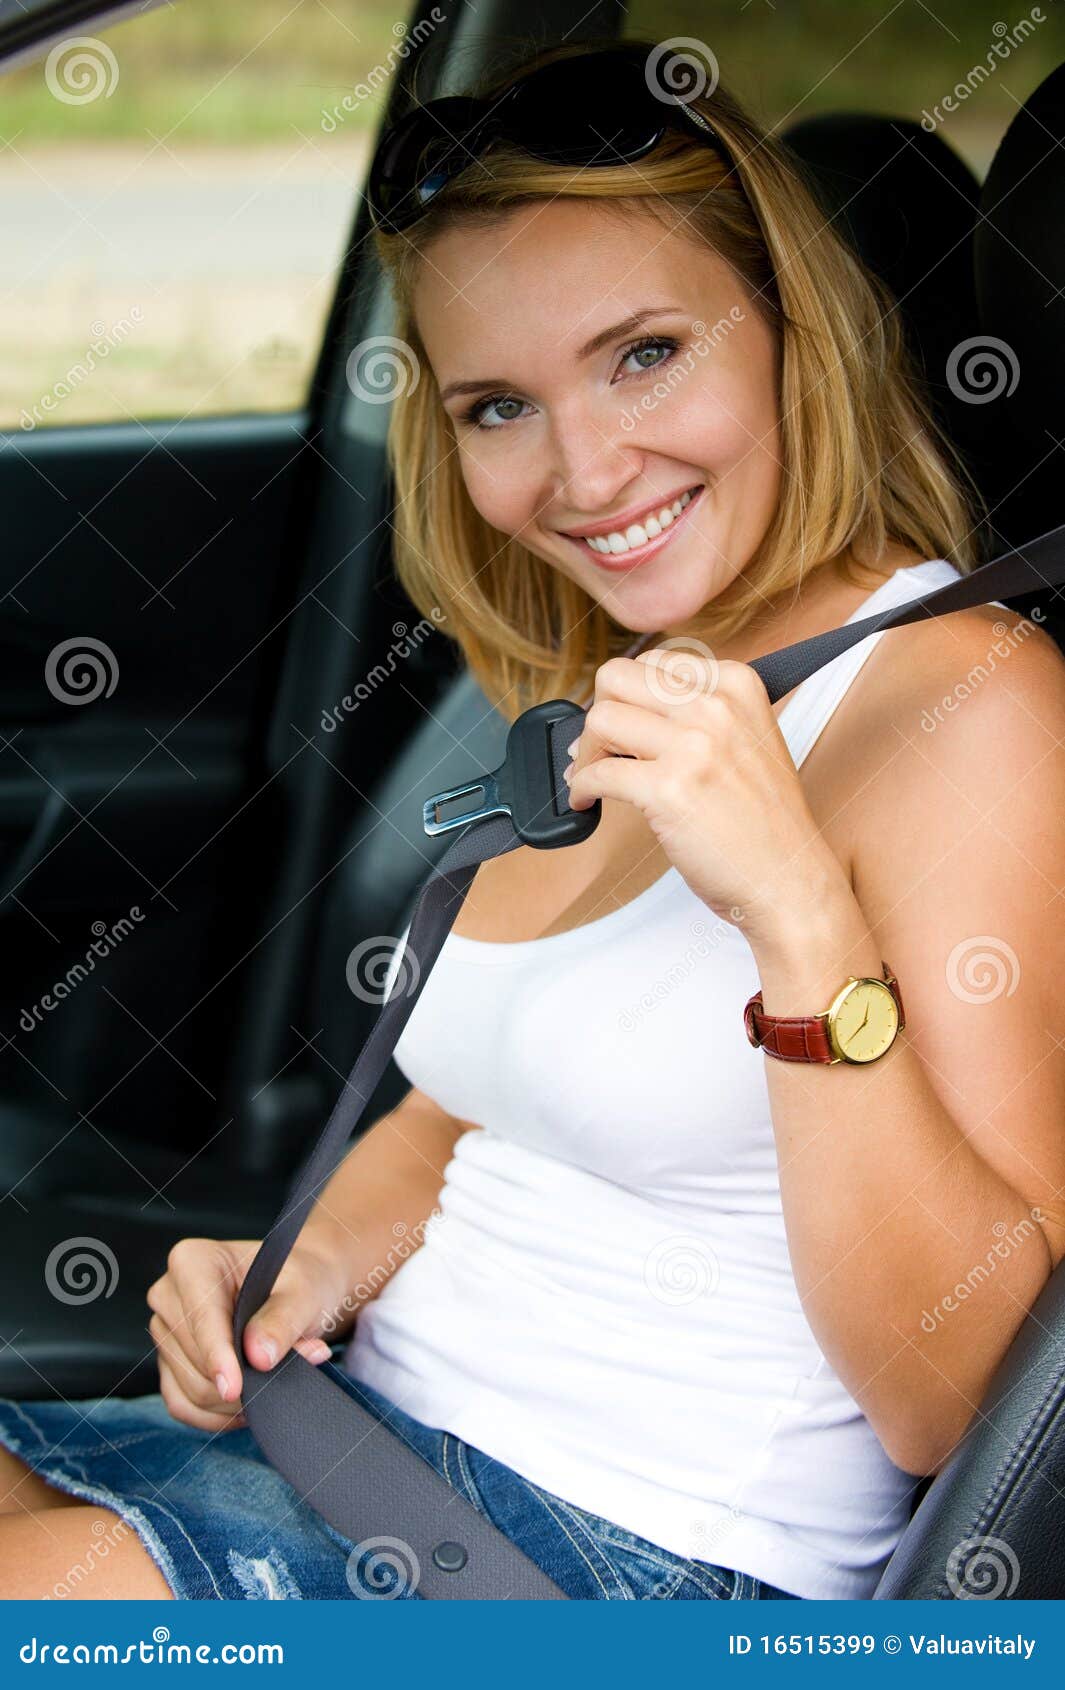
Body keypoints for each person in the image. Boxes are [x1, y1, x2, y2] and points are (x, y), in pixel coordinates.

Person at [1, 37, 1063, 1603]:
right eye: (499, 403)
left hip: (597, 1562)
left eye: (643, 354)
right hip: (343, 1435)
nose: (584, 470)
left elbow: (963, 1396)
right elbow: (461, 1113)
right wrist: (306, 1264)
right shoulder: (622, 670)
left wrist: (798, 917)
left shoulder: (969, 703)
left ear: (788, 330)